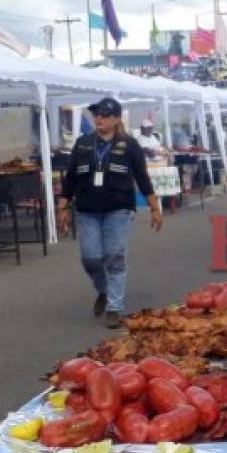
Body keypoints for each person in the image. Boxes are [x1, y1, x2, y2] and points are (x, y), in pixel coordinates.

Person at [58, 97, 163, 329]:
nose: (99, 119)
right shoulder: (83, 144)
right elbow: (71, 178)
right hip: (88, 210)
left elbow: (142, 178)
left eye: (104, 115)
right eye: (96, 115)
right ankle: (104, 290)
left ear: (116, 119)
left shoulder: (130, 145)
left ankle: (114, 307)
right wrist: (62, 206)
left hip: (119, 210)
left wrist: (155, 208)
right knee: (91, 259)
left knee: (114, 257)